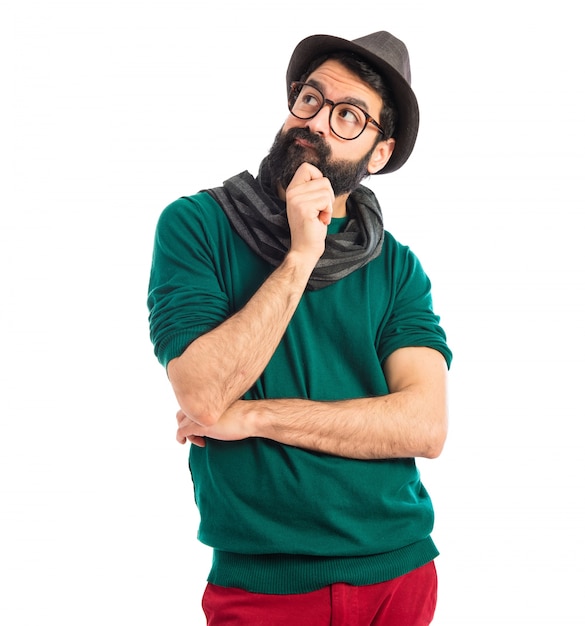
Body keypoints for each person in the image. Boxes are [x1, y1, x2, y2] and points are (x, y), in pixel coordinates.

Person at [147, 30, 452, 626]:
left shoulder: (396, 267)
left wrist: (258, 416)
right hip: (265, 586)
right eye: (310, 100)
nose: (314, 123)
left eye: (347, 116)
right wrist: (299, 257)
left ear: (379, 153)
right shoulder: (196, 227)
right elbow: (204, 396)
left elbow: (426, 425)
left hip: (400, 575)